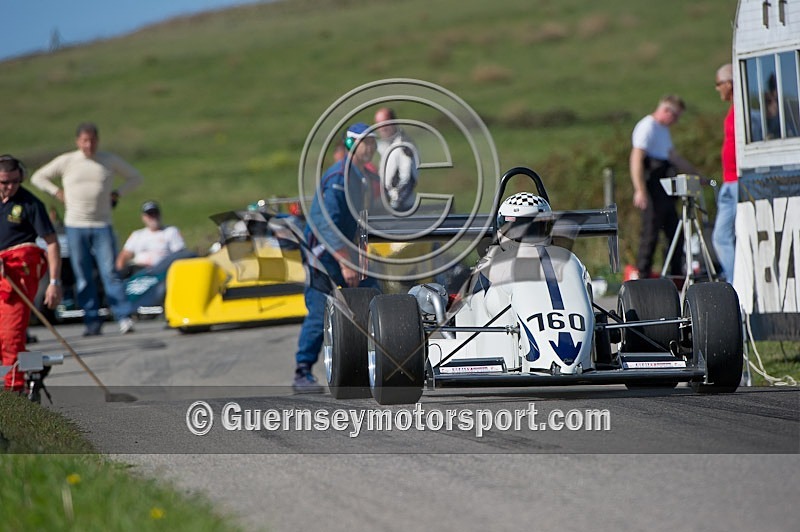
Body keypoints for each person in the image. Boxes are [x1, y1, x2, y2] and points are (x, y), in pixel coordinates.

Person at [31, 122, 143, 336]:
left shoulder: (107, 160)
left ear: (97, 141)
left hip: (102, 224)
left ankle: (123, 316)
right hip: (75, 225)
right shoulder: (68, 161)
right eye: (84, 141)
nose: (88, 145)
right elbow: (38, 177)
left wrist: (117, 194)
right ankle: (92, 320)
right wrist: (56, 192)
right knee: (83, 275)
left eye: (92, 141)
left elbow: (135, 177)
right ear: (78, 142)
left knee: (109, 272)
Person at [293, 123, 379, 393]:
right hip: (323, 256)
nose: (371, 147)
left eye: (373, 142)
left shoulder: (361, 177)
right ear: (352, 145)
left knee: (374, 298)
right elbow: (325, 222)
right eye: (365, 142)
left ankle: (372, 361)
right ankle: (302, 371)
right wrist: (344, 261)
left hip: (345, 252)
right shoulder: (338, 179)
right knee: (320, 312)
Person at [0, 155, 62, 392]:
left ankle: (14, 391)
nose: (10, 187)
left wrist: (54, 282)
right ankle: (36, 366)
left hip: (17, 279)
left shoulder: (30, 204)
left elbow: (52, 243)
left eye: (15, 181)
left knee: (11, 335)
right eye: (4, 182)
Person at [629, 94, 701, 279]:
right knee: (650, 232)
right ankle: (643, 273)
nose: (675, 121)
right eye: (675, 116)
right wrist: (640, 190)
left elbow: (674, 157)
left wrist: (698, 176)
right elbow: (636, 159)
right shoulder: (647, 127)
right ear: (666, 111)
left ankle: (676, 273)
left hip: (666, 188)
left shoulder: (663, 130)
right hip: (652, 186)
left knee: (675, 231)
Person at [711, 64, 737, 283]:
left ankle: (735, 282)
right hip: (730, 181)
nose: (717, 89)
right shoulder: (734, 108)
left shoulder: (742, 108)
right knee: (721, 236)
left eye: (719, 84)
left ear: (729, 83)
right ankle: (732, 280)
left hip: (738, 181)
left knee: (724, 236)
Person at [116, 200, 186, 277]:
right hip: (138, 271)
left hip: (161, 272)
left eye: (155, 213)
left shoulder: (171, 232)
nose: (153, 217)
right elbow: (125, 254)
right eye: (150, 214)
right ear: (144, 217)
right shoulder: (137, 235)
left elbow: (180, 254)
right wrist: (120, 270)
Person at [374, 107, 419, 211]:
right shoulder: (381, 145)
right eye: (378, 124)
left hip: (403, 207)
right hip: (386, 205)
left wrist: (395, 203)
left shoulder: (404, 145)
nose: (382, 128)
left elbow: (409, 179)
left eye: (385, 123)